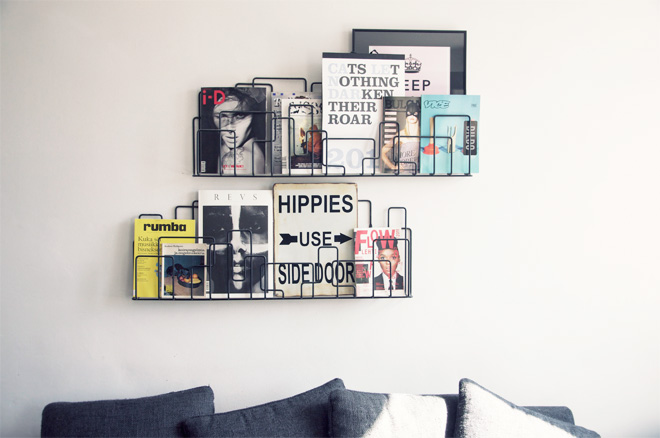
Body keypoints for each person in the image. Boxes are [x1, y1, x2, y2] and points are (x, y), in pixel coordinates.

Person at [212, 88, 266, 175]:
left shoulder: (239, 157)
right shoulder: (225, 149)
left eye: (240, 116)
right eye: (222, 116)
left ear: (253, 116)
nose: (230, 127)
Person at [381, 99, 420, 174]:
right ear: (406, 116)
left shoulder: (422, 134)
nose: (412, 116)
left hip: (418, 172)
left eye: (414, 114)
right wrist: (392, 167)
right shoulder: (400, 134)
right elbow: (383, 152)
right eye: (409, 114)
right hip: (403, 173)